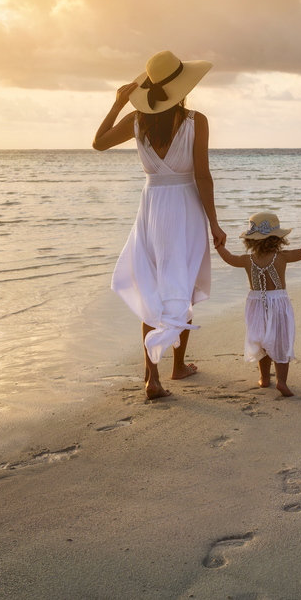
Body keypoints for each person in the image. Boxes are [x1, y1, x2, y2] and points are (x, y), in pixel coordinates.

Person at [93, 50, 227, 399]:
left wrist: (118, 104)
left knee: (152, 287)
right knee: (180, 281)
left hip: (152, 208)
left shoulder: (138, 121)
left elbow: (99, 143)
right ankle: (178, 366)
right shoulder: (197, 120)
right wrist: (214, 223)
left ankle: (152, 377)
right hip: (185, 207)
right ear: (183, 87)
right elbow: (202, 176)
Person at [215, 211, 301, 397]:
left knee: (262, 341)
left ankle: (264, 379)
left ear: (250, 240)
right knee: (280, 342)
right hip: (278, 303)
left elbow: (228, 258)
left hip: (256, 305)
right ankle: (281, 381)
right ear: (277, 238)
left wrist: (219, 245)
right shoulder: (282, 257)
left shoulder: (247, 260)